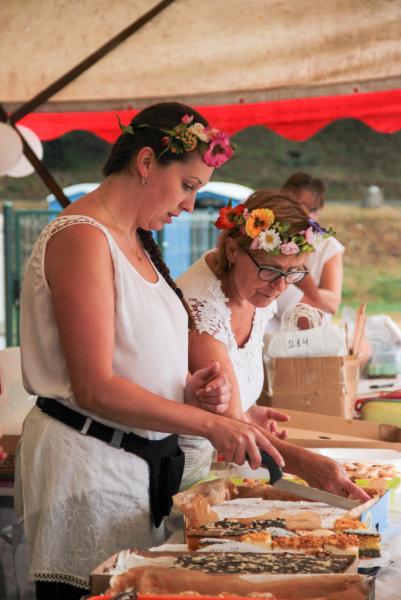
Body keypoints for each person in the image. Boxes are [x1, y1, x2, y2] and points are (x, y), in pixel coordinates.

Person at [15, 102, 286, 600]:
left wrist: (187, 390)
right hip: (88, 469)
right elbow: (95, 385)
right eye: (188, 186)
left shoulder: (133, 239)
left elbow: (132, 358)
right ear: (145, 164)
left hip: (132, 469)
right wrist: (209, 423)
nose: (189, 205)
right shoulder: (82, 237)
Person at [178, 190, 369, 500]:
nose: (280, 287)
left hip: (217, 470)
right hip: (179, 474)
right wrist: (306, 465)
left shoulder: (256, 289)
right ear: (231, 251)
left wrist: (249, 410)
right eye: (271, 271)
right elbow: (228, 425)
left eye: (293, 273)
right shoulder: (200, 306)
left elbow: (222, 401)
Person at [269, 172, 344, 331]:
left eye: (302, 207)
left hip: (308, 330)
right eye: (288, 204)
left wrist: (295, 281)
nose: (293, 213)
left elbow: (333, 302)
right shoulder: (270, 238)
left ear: (317, 211)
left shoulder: (328, 246)